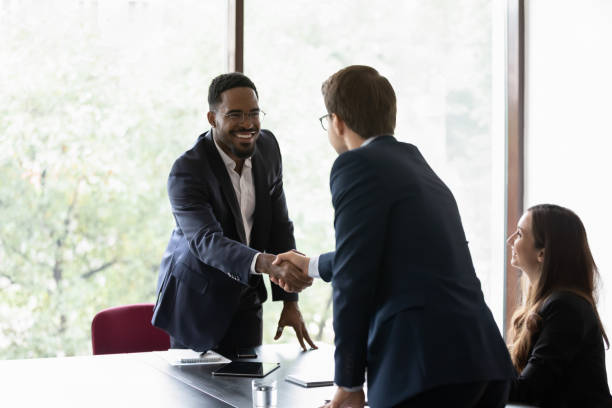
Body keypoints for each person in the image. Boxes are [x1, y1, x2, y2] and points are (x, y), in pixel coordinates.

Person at [273, 65, 514, 408]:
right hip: (482, 361)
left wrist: (349, 383)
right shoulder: (415, 164)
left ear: (337, 122)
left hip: (423, 368)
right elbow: (391, 253)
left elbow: (355, 279)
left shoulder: (355, 165)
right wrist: (310, 265)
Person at [151, 72, 316, 355]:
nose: (247, 124)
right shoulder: (187, 171)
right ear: (212, 118)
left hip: (246, 297)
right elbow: (206, 241)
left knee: (249, 391)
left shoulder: (268, 148)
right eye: (235, 115)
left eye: (254, 113)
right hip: (196, 305)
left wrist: (290, 301)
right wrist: (267, 264)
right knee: (196, 398)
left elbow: (279, 225)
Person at [506, 204, 612, 407]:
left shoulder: (565, 307)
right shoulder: (556, 304)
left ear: (542, 254)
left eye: (519, 234)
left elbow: (527, 390)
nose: (510, 241)